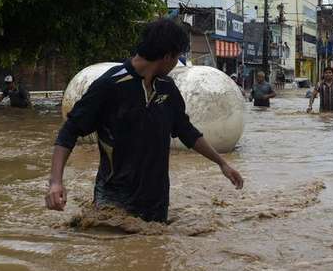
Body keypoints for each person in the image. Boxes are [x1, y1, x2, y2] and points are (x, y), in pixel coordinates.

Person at [45, 19, 243, 223]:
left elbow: (186, 131)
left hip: (156, 202)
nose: (176, 63)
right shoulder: (109, 85)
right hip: (113, 200)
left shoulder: (167, 88)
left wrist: (222, 164)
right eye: (177, 57)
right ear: (167, 56)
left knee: (152, 250)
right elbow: (69, 131)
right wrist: (56, 182)